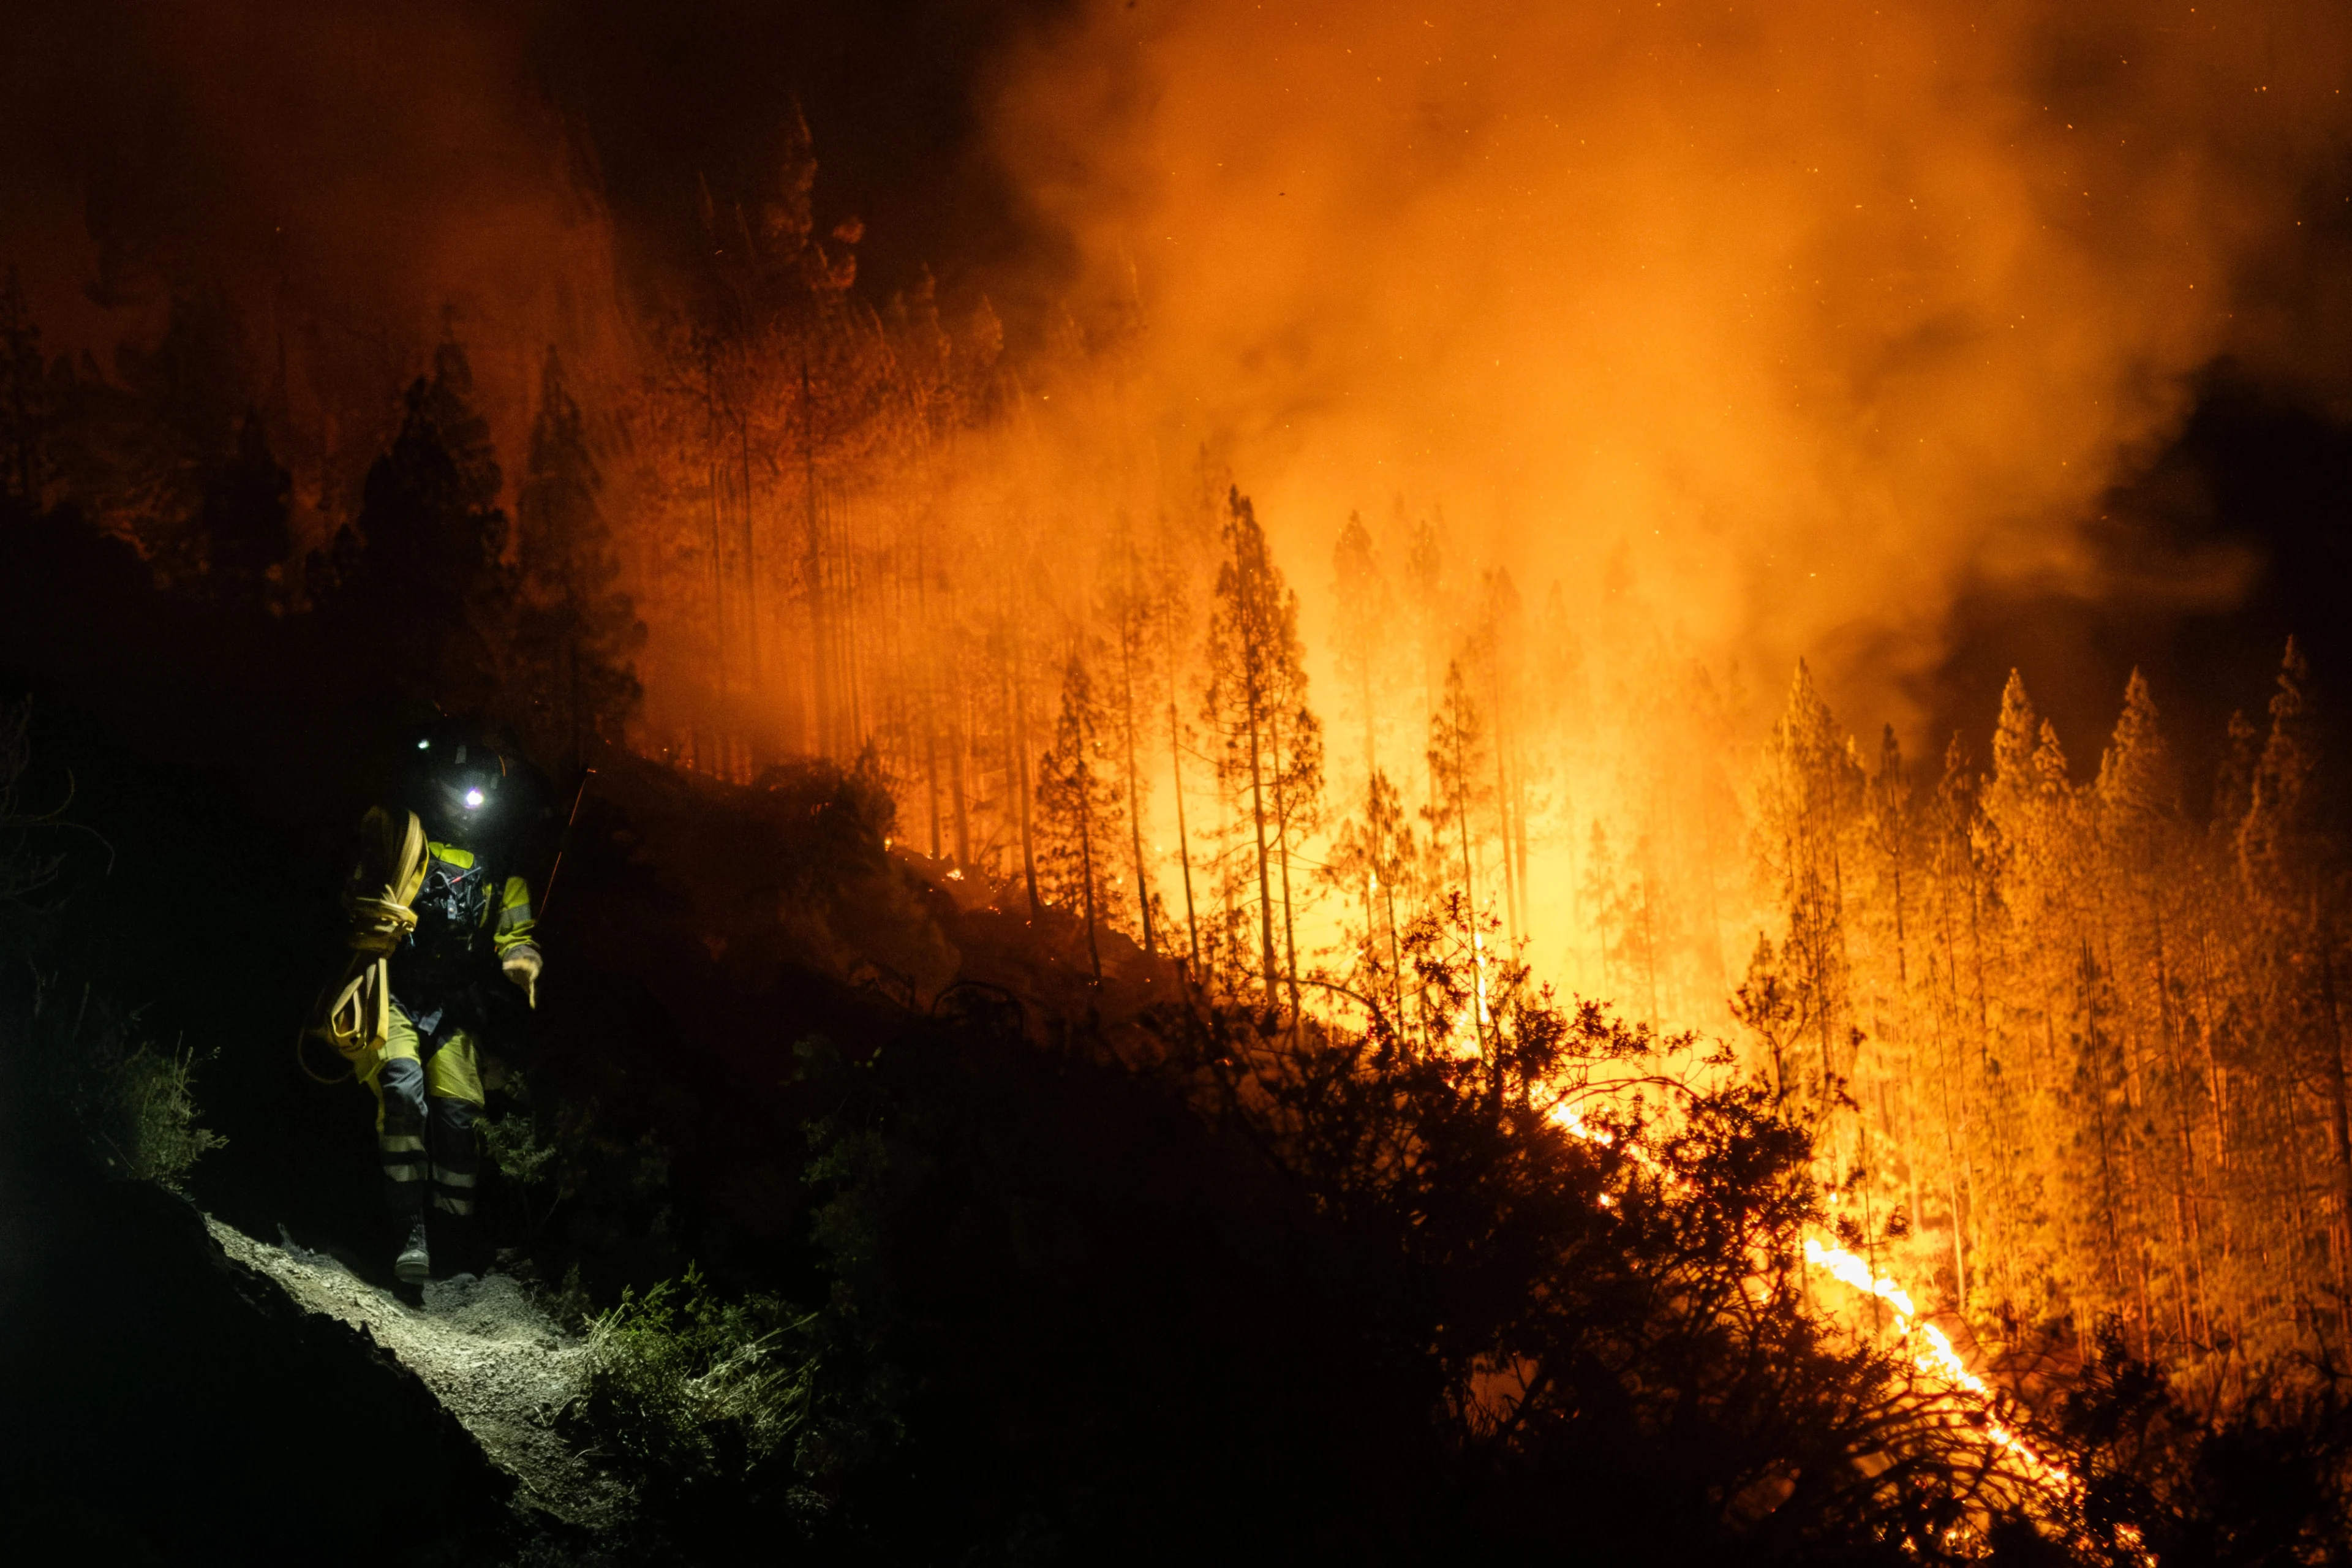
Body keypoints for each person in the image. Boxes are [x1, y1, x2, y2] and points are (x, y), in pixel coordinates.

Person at [336, 727, 543, 1286]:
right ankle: (409, 1231)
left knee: (458, 1118)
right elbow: (356, 893)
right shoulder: (403, 836)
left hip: (457, 1007)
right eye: (463, 791)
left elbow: (516, 932)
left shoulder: (501, 865)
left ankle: (455, 1237)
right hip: (395, 992)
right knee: (402, 1092)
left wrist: (523, 960)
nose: (471, 804)